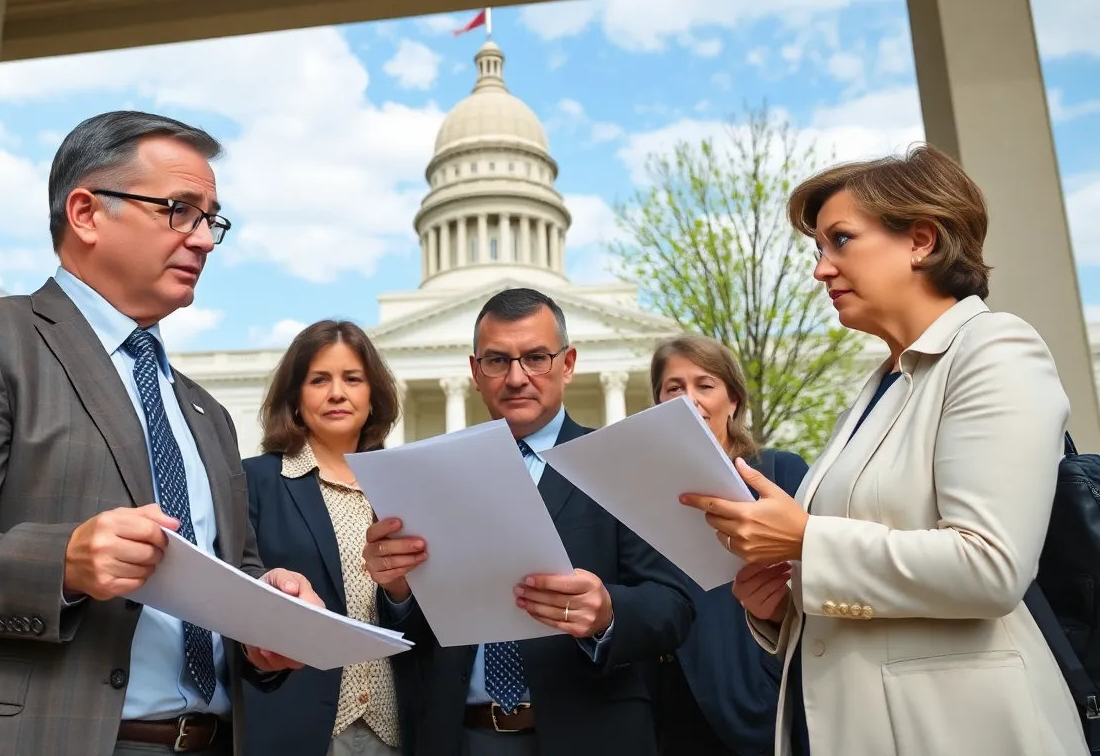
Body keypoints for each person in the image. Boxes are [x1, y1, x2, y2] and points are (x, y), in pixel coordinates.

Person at [0, 110, 321, 756]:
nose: (202, 239)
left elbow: (232, 574)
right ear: (86, 213)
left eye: (211, 219)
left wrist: (268, 614)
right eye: (179, 209)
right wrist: (62, 563)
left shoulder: (206, 413)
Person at [679, 145, 1088, 755]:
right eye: (819, 248)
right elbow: (860, 565)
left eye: (840, 240)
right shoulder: (880, 385)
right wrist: (780, 602)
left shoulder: (996, 349)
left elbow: (991, 568)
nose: (821, 268)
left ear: (921, 240)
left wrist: (806, 541)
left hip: (957, 731)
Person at [364, 287, 697, 756]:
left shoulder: (624, 463)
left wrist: (606, 614)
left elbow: (674, 608)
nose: (517, 377)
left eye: (536, 357)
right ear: (475, 372)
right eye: (498, 361)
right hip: (461, 736)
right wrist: (397, 591)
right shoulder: (432, 478)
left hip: (593, 735)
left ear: (568, 362)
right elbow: (417, 636)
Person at [241, 319, 421, 756]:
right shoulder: (255, 481)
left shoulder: (409, 488)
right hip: (295, 725)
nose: (337, 393)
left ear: (372, 395)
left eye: (352, 379)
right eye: (319, 379)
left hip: (397, 729)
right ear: (296, 399)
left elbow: (434, 621)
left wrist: (399, 592)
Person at [646, 335, 807, 755]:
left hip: (755, 701)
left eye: (704, 385)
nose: (689, 399)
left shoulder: (779, 472)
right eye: (673, 388)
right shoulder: (640, 491)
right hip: (667, 712)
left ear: (733, 400)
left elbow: (819, 580)